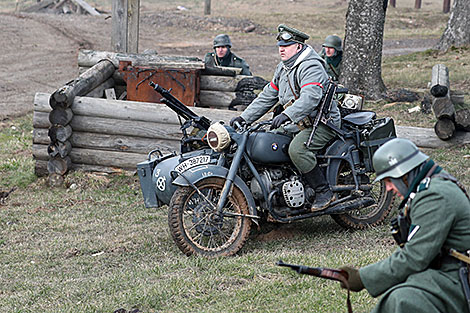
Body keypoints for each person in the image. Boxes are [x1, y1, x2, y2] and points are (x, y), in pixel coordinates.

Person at [340, 138, 470, 313]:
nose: (388, 188)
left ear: (405, 175)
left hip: (458, 277)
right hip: (448, 271)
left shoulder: (434, 196)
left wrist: (362, 277)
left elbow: (415, 257)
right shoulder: (431, 188)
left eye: (390, 180)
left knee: (403, 300)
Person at [230, 24, 341, 211]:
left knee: (297, 150)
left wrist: (286, 114)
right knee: (267, 140)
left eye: (286, 45)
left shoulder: (311, 66)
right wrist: (244, 118)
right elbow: (268, 95)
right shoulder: (283, 68)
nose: (281, 49)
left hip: (322, 122)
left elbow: (310, 97)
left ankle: (324, 192)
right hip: (297, 122)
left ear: (298, 47)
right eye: (280, 45)